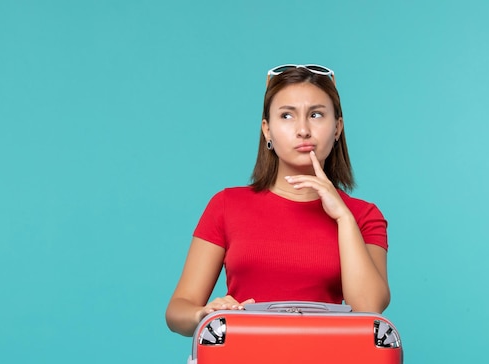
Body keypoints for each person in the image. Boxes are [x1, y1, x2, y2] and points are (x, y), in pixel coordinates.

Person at [166, 64, 390, 336]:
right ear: (267, 130)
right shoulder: (226, 205)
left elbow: (369, 311)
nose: (303, 130)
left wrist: (343, 217)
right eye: (287, 116)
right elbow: (178, 310)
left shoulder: (363, 215)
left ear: (337, 128)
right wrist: (204, 314)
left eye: (316, 115)